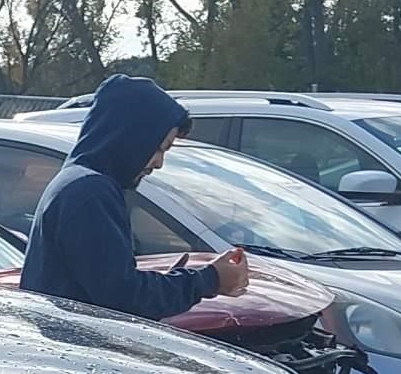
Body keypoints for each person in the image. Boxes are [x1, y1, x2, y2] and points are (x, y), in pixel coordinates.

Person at [21, 75, 247, 318]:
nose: (158, 163)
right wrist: (209, 279)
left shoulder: (79, 182)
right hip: (74, 349)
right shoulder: (90, 191)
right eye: (159, 148)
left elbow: (109, 286)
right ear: (132, 137)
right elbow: (124, 297)